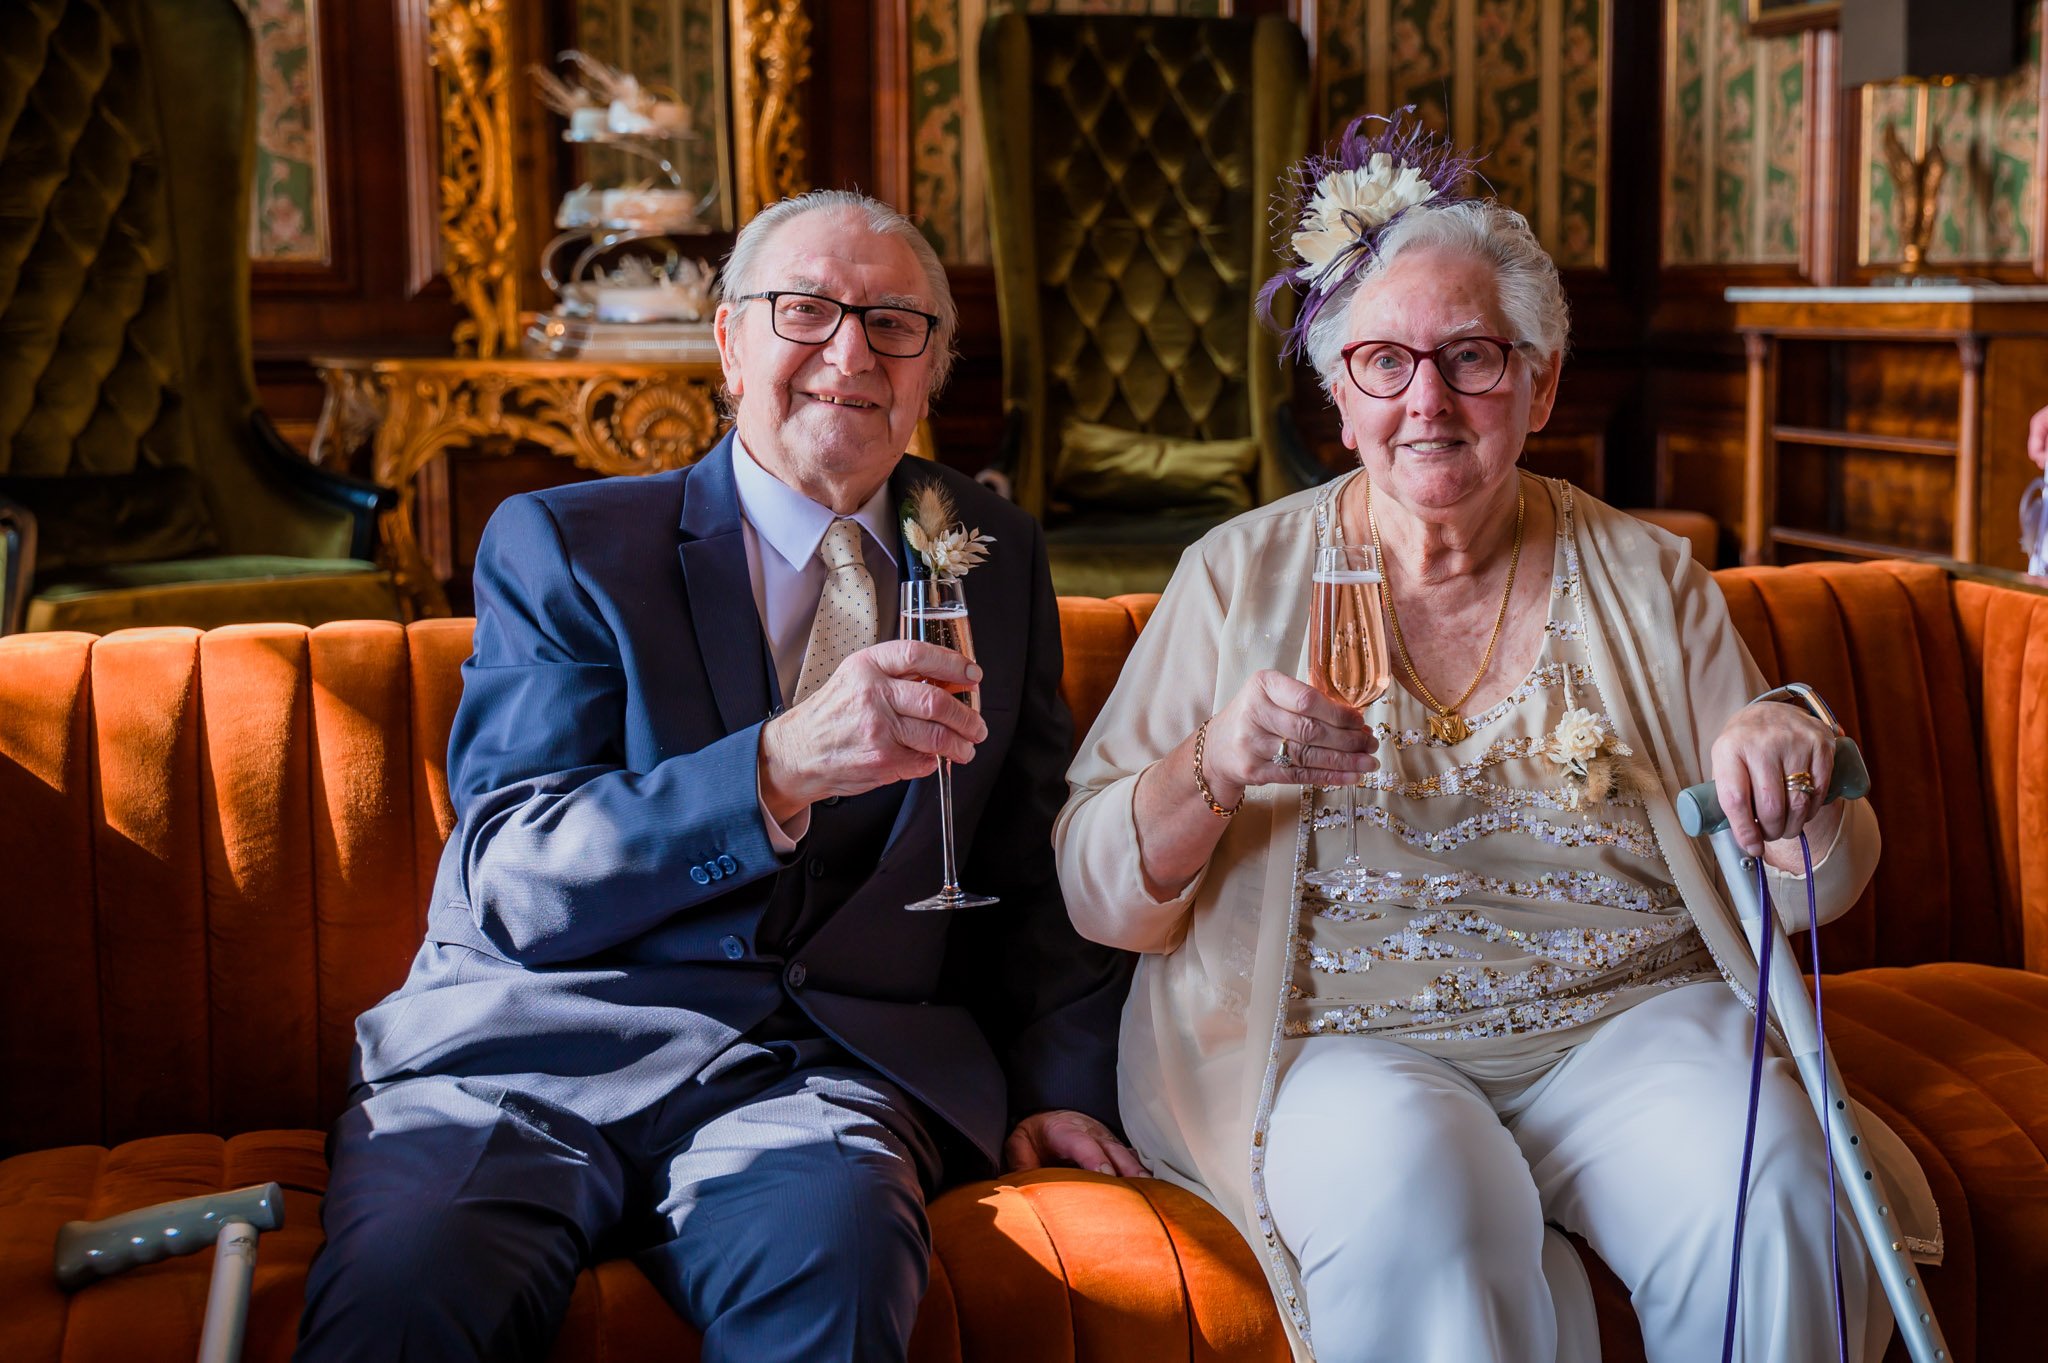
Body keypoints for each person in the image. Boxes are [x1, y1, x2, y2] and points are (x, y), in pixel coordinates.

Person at [1054, 117, 1936, 1363]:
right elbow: (1094, 885)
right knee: (1423, 1204)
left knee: (1770, 1190)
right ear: (1336, 392)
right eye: (1382, 362)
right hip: (1339, 1042)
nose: (1427, 400)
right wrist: (1212, 762)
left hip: (1627, 1022)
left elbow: (1806, 889)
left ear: (1540, 382)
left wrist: (1783, 754)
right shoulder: (1235, 575)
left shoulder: (1644, 574)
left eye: (1470, 357)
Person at [296, 189, 1139, 1363]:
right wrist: (776, 769)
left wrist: (1062, 1082)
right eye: (805, 311)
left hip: (817, 1077)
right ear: (731, 345)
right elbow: (508, 871)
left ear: (933, 369)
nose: (849, 351)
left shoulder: (989, 555)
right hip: (533, 1055)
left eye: (895, 324)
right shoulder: (567, 542)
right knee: (407, 1287)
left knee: (840, 1274)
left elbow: (1024, 859)